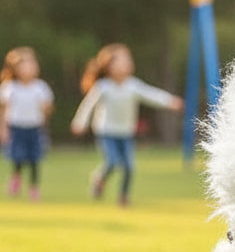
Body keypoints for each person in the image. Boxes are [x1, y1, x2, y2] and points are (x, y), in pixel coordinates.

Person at [70, 43, 183, 206]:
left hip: (126, 132)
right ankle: (100, 178)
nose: (126, 64)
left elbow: (151, 94)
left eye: (128, 60)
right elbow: (88, 105)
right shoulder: (103, 87)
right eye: (121, 61)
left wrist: (170, 101)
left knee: (129, 166)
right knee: (113, 161)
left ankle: (123, 196)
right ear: (109, 66)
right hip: (106, 131)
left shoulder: (133, 85)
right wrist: (79, 122)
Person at [0, 47, 54, 201]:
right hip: (16, 127)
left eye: (31, 64)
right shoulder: (10, 88)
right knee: (18, 157)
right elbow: (3, 110)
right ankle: (16, 178)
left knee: (35, 159)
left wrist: (45, 111)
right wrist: (1, 129)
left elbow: (48, 110)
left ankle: (34, 188)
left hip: (34, 128)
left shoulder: (40, 88)